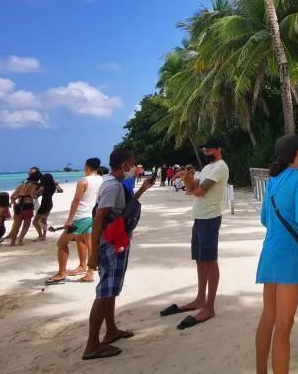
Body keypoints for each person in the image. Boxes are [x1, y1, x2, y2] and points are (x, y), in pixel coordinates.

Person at [255, 134, 298, 374]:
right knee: (284, 325)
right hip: (288, 254)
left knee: (268, 317)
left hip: (269, 251)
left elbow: (264, 219)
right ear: (297, 153)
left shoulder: (273, 179)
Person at [82, 147, 154, 360]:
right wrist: (93, 254)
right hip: (110, 245)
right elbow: (99, 218)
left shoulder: (115, 184)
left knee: (111, 290)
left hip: (116, 243)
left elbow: (124, 209)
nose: (135, 167)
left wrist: (143, 190)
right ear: (124, 165)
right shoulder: (113, 187)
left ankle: (111, 330)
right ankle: (92, 345)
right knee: (104, 293)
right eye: (132, 164)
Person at [164, 140, 230, 329]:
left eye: (210, 148)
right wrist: (187, 177)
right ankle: (200, 299)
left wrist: (191, 183)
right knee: (200, 260)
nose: (206, 151)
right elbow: (190, 188)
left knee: (210, 261)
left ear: (218, 150)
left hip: (210, 217)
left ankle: (209, 306)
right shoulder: (207, 168)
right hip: (199, 217)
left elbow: (199, 191)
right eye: (205, 148)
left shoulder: (220, 168)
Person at [46, 158, 103, 284]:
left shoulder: (83, 181)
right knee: (85, 241)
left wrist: (70, 220)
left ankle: (61, 273)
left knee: (61, 244)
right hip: (92, 216)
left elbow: (76, 201)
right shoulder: (101, 179)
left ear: (86, 167)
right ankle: (88, 272)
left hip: (81, 217)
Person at [33, 173, 62, 240]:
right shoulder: (53, 186)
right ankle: (43, 236)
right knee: (43, 220)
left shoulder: (43, 187)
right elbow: (59, 190)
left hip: (44, 204)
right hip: (50, 204)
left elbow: (35, 194)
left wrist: (37, 191)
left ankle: (41, 236)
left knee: (35, 221)